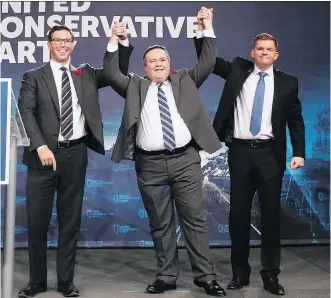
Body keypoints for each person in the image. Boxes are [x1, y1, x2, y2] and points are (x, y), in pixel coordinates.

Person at [103, 14, 226, 296]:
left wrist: (206, 27)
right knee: (161, 223)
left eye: (163, 60)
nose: (159, 64)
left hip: (185, 161)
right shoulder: (135, 85)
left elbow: (207, 61)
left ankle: (206, 277)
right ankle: (167, 276)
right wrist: (115, 40)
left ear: (169, 64)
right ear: (144, 68)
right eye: (153, 61)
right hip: (150, 165)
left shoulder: (185, 80)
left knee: (194, 220)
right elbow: (110, 74)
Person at [195, 7, 305, 296]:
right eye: (259, 49)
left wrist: (299, 151)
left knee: (270, 217)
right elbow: (206, 60)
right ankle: (240, 274)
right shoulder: (237, 69)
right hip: (241, 152)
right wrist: (206, 28)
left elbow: (295, 119)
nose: (264, 53)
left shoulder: (288, 82)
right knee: (238, 217)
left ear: (276, 55)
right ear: (252, 52)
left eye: (269, 49)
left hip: (271, 154)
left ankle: (270, 276)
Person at [17, 24, 133, 298]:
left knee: (70, 222)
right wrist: (41, 146)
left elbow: (116, 73)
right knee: (37, 222)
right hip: (42, 158)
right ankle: (37, 282)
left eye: (67, 40)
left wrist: (119, 42)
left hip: (75, 154)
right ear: (49, 44)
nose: (63, 45)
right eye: (57, 40)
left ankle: (66, 281)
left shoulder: (86, 74)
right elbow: (26, 112)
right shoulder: (33, 76)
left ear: (73, 44)